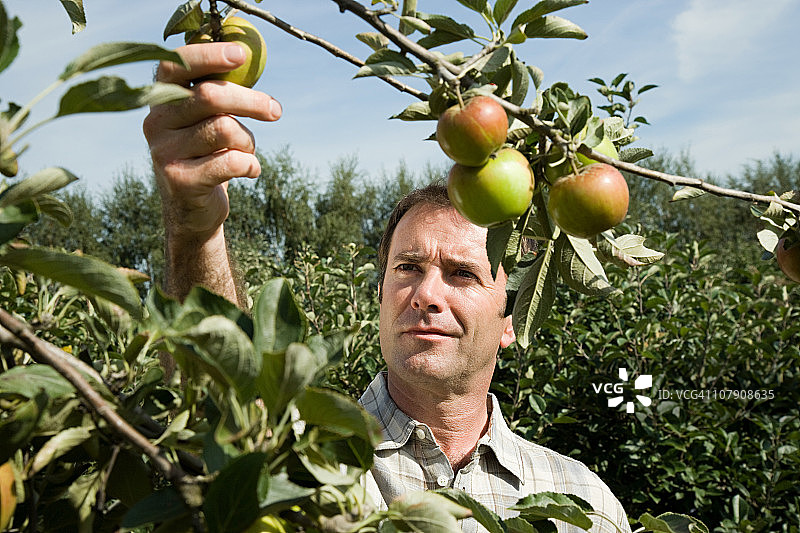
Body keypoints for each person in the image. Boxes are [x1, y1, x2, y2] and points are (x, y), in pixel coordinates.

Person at [144, 41, 632, 533]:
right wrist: (194, 228)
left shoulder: (585, 505)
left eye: (462, 273)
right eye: (407, 268)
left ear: (510, 317)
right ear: (379, 295)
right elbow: (218, 413)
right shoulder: (305, 460)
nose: (426, 294)